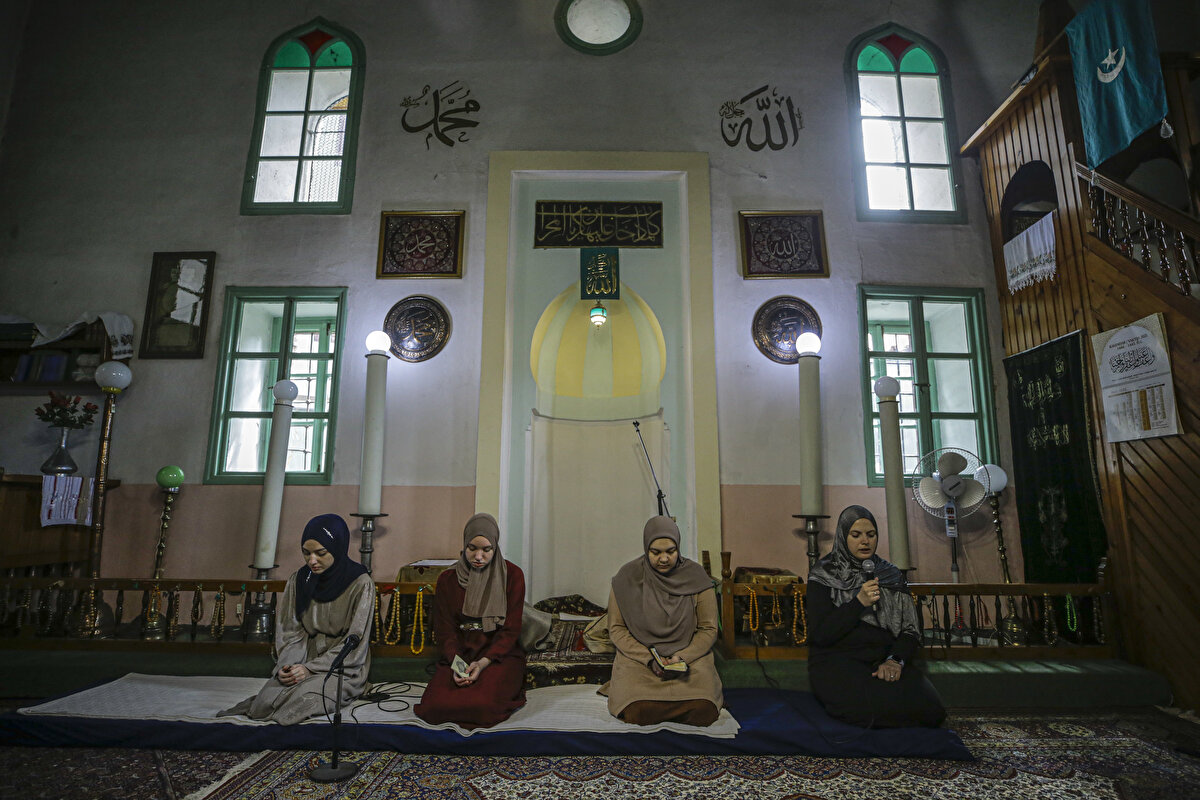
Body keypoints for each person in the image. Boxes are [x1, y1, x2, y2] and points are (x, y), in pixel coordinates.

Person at [219, 513, 374, 725]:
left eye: (321, 553)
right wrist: (290, 667)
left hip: (342, 667)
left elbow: (355, 643)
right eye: (306, 553)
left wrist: (311, 669)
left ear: (338, 547)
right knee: (263, 705)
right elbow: (290, 631)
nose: (312, 561)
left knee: (301, 703)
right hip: (303, 657)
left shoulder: (360, 583)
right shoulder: (300, 580)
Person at [806, 504, 946, 728]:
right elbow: (821, 634)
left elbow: (910, 631)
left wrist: (894, 661)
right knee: (865, 710)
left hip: (883, 658)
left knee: (931, 710)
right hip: (838, 659)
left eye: (871, 535)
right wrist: (858, 602)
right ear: (844, 536)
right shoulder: (823, 574)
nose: (865, 541)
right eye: (856, 535)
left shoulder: (889, 574)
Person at [602, 515, 724, 726]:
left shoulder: (696, 577)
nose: (664, 559)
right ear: (646, 548)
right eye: (655, 552)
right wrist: (649, 658)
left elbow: (708, 629)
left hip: (690, 661)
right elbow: (617, 628)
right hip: (639, 661)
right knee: (637, 710)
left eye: (670, 551)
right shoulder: (627, 577)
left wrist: (682, 657)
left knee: (704, 710)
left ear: (678, 548)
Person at [414, 513, 527, 728]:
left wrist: (483, 663)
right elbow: (445, 630)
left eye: (486, 550)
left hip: (498, 654)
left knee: (483, 706)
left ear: (495, 548)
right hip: (460, 653)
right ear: (464, 546)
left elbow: (511, 630)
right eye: (472, 548)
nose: (478, 556)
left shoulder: (512, 576)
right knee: (433, 707)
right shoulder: (448, 580)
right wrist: (458, 665)